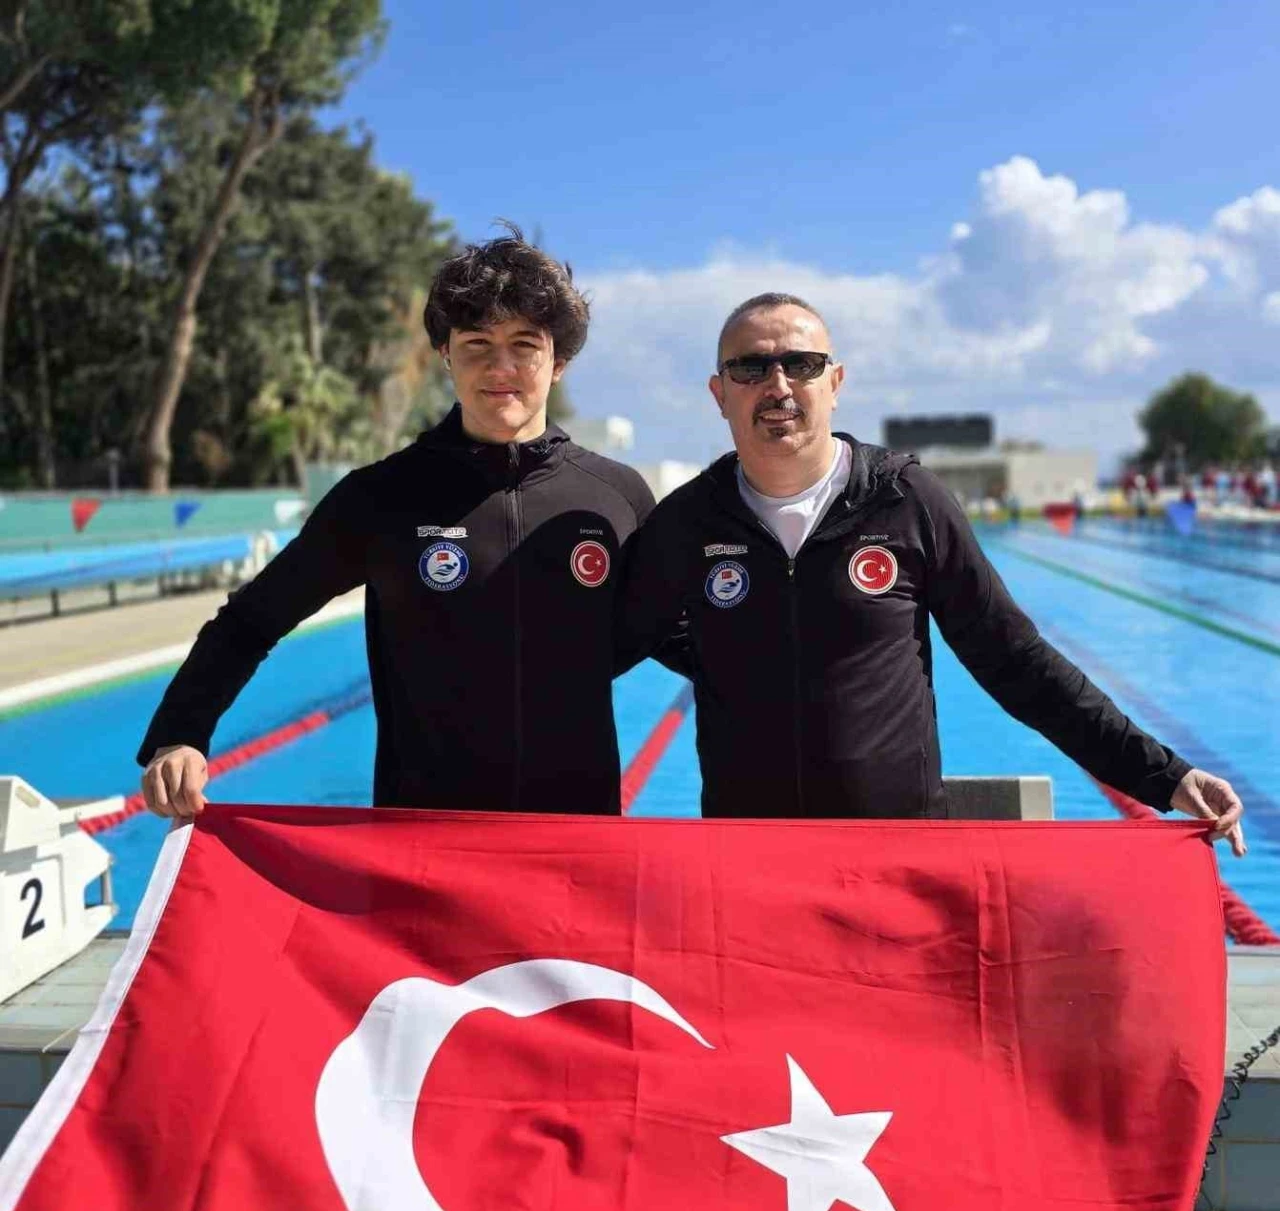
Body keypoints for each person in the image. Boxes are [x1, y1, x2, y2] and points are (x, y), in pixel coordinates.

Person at [618, 292, 1246, 855]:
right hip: (749, 858)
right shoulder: (688, 522)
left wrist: (1164, 775)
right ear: (719, 393)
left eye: (802, 364)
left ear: (835, 382)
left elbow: (1013, 658)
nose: (778, 385)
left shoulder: (905, 500)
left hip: (898, 857)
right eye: (751, 368)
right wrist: (731, 654)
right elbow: (610, 644)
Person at [138, 228, 655, 819]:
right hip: (422, 836)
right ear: (445, 355)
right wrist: (179, 734)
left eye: (524, 344)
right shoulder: (381, 497)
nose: (500, 366)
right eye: (477, 343)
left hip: (577, 833)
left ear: (557, 360)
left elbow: (684, 632)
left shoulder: (616, 496)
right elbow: (252, 619)